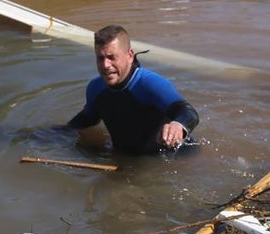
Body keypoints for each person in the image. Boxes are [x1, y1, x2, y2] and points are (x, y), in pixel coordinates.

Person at [67, 25, 199, 155]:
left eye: (112, 57)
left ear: (130, 55)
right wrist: (55, 135)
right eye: (100, 58)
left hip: (171, 158)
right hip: (126, 159)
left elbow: (188, 112)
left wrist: (177, 124)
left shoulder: (149, 84)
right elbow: (88, 118)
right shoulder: (95, 88)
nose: (105, 65)